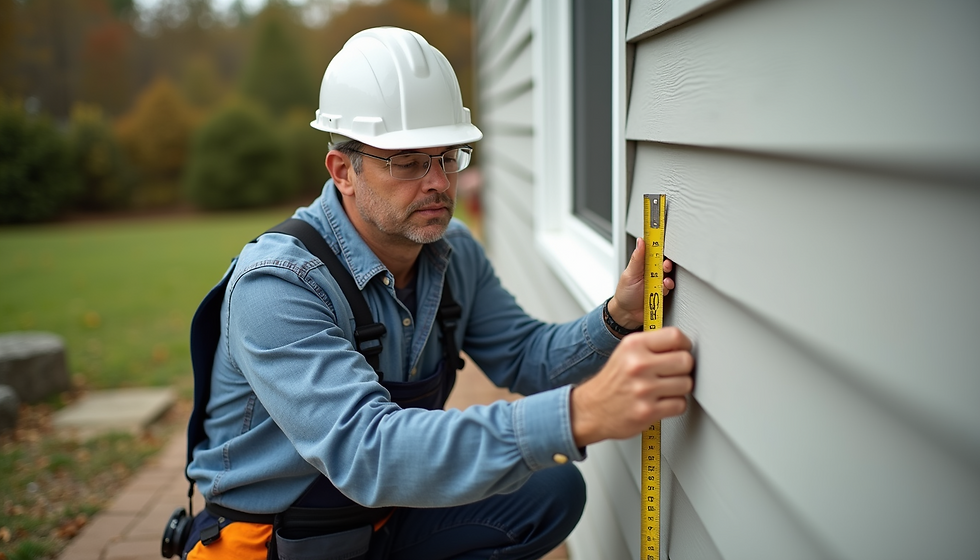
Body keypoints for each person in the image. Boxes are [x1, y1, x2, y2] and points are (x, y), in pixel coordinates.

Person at [181, 27, 694, 560]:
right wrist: (577, 414)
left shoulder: (453, 254)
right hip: (275, 540)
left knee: (549, 492)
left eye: (448, 157)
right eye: (407, 161)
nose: (438, 183)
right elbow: (368, 450)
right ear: (343, 171)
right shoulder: (279, 284)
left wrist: (618, 316)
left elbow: (526, 357)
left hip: (379, 515)